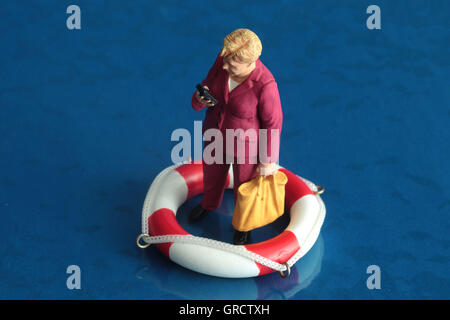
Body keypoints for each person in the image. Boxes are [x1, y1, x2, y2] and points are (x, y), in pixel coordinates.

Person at [190, 28, 283, 245]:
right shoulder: (224, 61)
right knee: (212, 174)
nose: (224, 66)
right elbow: (208, 82)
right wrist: (199, 97)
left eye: (232, 65)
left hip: (246, 145)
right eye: (225, 60)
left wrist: (267, 159)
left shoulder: (265, 85)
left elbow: (273, 123)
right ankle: (209, 204)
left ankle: (244, 225)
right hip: (215, 133)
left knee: (245, 185)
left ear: (250, 63)